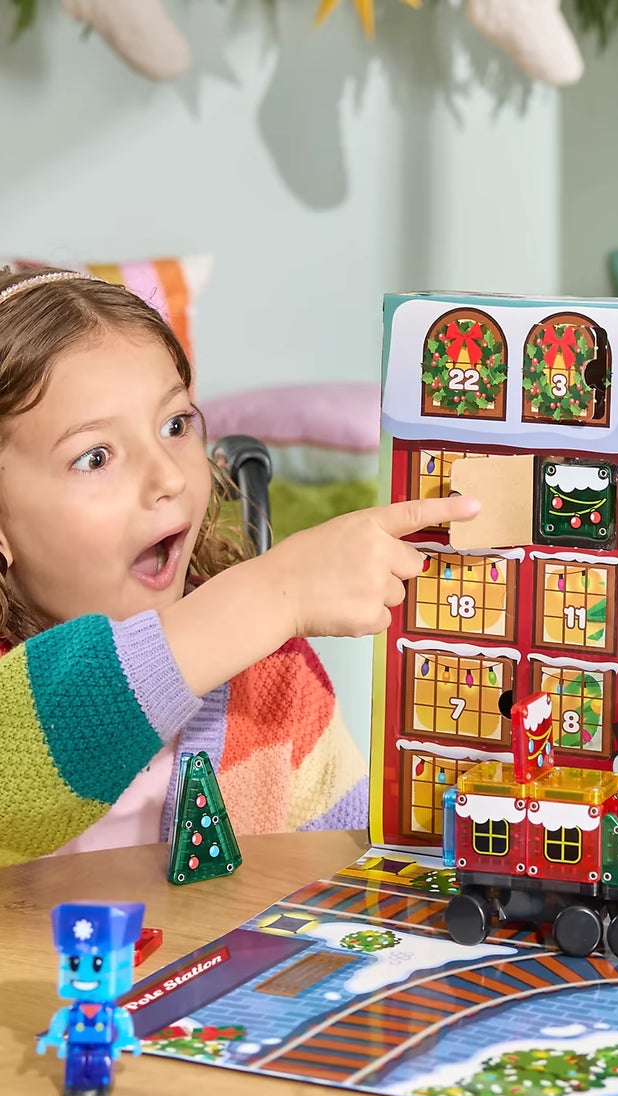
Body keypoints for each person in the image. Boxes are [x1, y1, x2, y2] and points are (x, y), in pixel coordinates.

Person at [0, 267, 479, 865]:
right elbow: (40, 742)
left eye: (175, 425)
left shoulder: (273, 677)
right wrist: (277, 590)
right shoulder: (256, 618)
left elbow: (353, 873)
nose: (170, 476)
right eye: (95, 457)